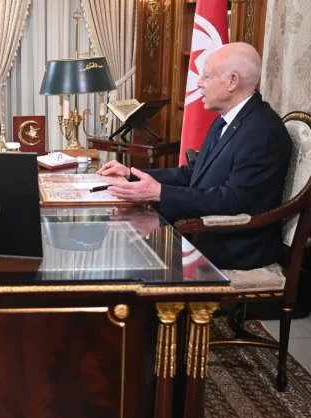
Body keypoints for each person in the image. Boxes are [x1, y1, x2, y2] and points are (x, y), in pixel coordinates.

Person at [97, 42, 292, 270]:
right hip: (204, 232)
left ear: (232, 81)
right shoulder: (226, 119)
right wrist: (132, 174)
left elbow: (234, 200)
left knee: (126, 256)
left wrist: (160, 193)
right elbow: (193, 173)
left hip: (233, 248)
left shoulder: (262, 130)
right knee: (120, 239)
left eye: (207, 77)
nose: (199, 83)